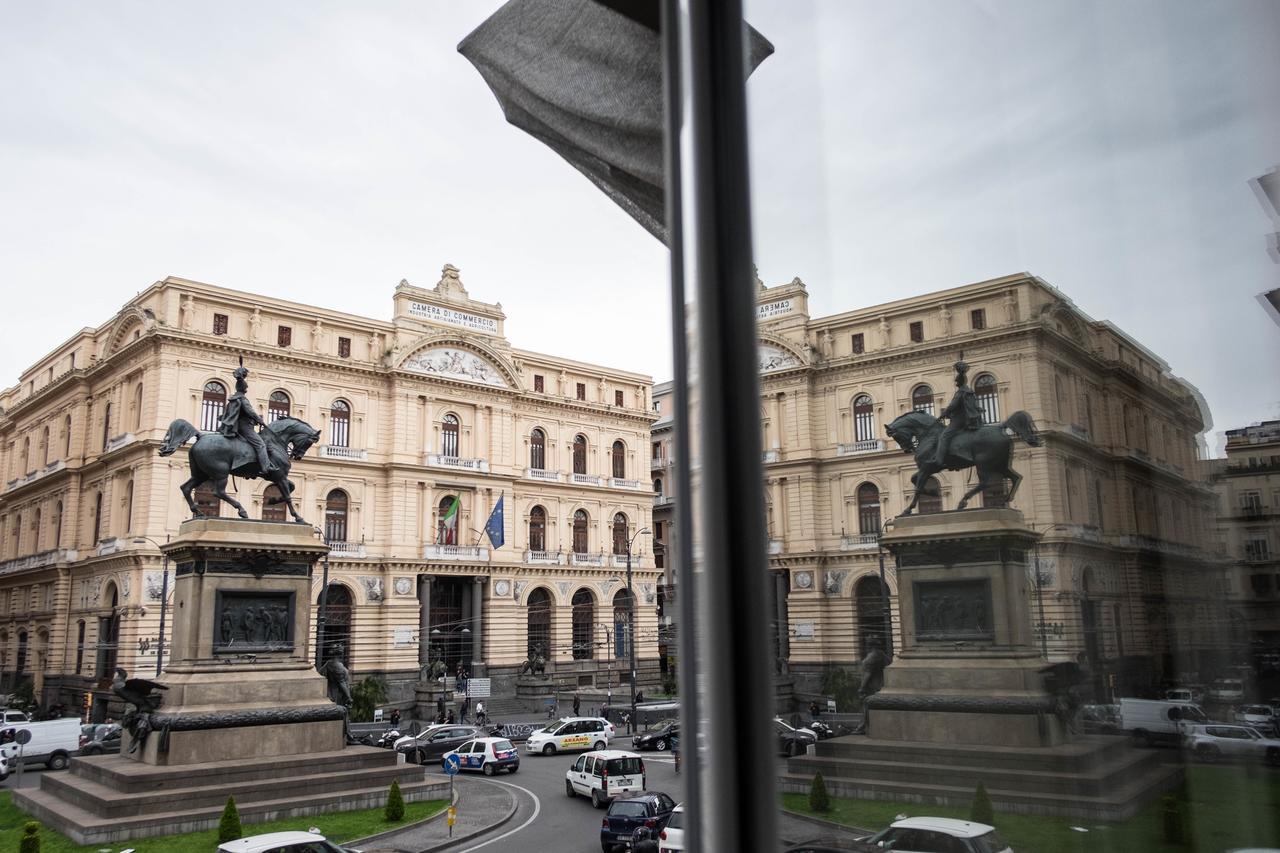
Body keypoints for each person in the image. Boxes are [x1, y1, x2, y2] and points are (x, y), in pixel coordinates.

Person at [218, 365, 278, 475]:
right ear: (245, 390)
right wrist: (260, 420)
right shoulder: (242, 399)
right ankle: (266, 467)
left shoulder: (234, 399)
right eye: (246, 388)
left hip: (238, 426)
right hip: (245, 428)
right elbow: (250, 412)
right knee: (261, 445)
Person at [933, 358, 982, 468]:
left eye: (956, 381)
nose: (955, 383)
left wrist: (943, 414)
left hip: (959, 420)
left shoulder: (960, 392)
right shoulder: (969, 390)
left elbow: (953, 406)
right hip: (969, 418)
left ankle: (939, 459)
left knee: (944, 436)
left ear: (959, 382)